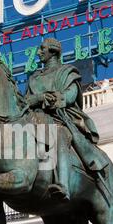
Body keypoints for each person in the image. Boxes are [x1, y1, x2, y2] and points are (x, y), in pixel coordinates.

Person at [25, 37, 108, 200]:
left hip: (59, 119)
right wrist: (31, 100)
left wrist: (43, 98)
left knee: (60, 135)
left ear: (53, 51)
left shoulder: (68, 73)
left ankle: (63, 185)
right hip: (34, 119)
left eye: (43, 48)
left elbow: (69, 97)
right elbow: (25, 100)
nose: (39, 52)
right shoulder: (34, 78)